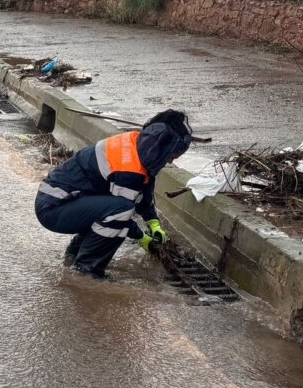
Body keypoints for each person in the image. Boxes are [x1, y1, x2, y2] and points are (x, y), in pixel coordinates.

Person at [34, 110, 194, 279]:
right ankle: (86, 272)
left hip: (64, 202)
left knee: (111, 210)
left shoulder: (138, 142)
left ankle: (73, 256)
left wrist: (153, 223)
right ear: (162, 148)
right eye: (173, 154)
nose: (172, 160)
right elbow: (123, 213)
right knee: (120, 211)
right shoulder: (129, 169)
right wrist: (143, 239)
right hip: (54, 208)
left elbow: (143, 189)